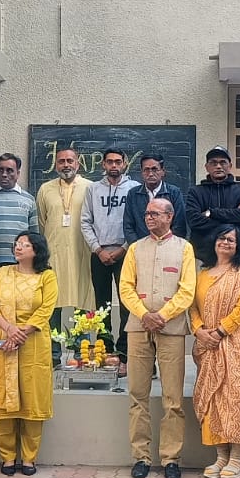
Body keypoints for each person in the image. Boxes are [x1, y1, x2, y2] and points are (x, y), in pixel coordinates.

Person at [119, 197, 197, 478]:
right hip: (138, 327)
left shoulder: (184, 248)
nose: (149, 218)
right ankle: (140, 456)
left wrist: (162, 315)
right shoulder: (135, 248)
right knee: (137, 395)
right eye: (147, 214)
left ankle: (170, 458)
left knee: (172, 398)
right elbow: (125, 287)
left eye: (155, 213)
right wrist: (144, 314)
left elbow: (187, 291)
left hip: (171, 328)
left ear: (170, 216)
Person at [0, 231, 58, 475]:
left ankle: (29, 458)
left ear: (36, 250)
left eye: (25, 245)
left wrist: (21, 332)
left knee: (32, 398)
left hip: (33, 342)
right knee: (3, 397)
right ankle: (7, 457)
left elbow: (46, 308)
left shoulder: (46, 276)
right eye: (17, 244)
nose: (18, 247)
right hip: (3, 339)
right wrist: (9, 329)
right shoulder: (3, 273)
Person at [192, 226, 240, 478]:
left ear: (238, 245)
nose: (226, 242)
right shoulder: (203, 274)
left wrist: (219, 332)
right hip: (207, 344)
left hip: (237, 342)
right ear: (214, 241)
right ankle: (221, 456)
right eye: (222, 237)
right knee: (213, 398)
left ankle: (237, 459)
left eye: (232, 239)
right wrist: (199, 331)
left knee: (236, 398)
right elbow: (192, 307)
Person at [83, 148, 139, 365]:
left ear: (124, 164)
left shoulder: (133, 188)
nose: (114, 166)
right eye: (109, 162)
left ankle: (124, 350)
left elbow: (136, 222)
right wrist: (98, 249)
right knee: (101, 303)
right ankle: (104, 348)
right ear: (103, 165)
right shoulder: (93, 189)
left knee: (126, 303)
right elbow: (85, 221)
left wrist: (123, 248)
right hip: (99, 253)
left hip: (125, 252)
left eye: (117, 162)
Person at [37, 146, 96, 347]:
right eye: (61, 161)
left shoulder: (90, 187)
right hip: (54, 254)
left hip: (82, 253)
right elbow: (41, 222)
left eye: (70, 161)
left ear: (78, 164)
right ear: (56, 165)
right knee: (52, 300)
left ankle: (81, 349)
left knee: (83, 298)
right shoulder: (45, 189)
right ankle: (53, 352)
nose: (66, 165)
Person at [185, 147, 240, 264]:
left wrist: (211, 213)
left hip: (236, 256)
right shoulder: (195, 192)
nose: (218, 166)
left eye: (223, 162)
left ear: (230, 166)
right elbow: (194, 221)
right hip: (202, 256)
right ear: (206, 167)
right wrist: (233, 219)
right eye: (213, 163)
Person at [0, 153, 41, 276]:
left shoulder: (29, 199)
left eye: (9, 170)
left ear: (18, 173)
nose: (4, 174)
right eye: (0, 170)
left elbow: (34, 234)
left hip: (20, 261)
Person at [123, 152, 189, 245]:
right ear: (142, 172)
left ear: (163, 171)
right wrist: (138, 246)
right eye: (146, 170)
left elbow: (179, 225)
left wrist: (167, 245)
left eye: (155, 169)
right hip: (140, 247)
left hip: (168, 247)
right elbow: (128, 226)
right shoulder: (133, 194)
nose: (150, 174)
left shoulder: (174, 193)